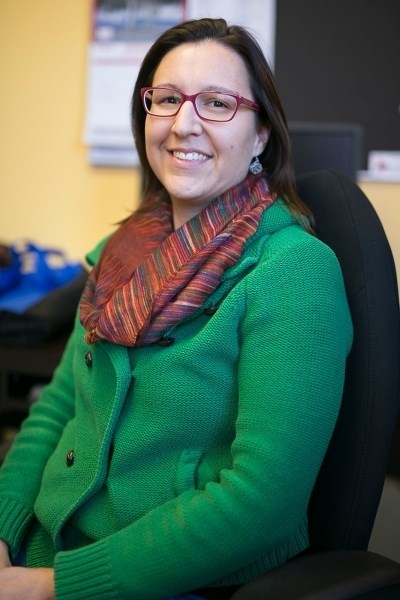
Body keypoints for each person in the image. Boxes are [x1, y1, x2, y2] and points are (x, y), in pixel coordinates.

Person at [0, 17, 353, 600]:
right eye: (166, 99)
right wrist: (4, 532)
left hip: (168, 581)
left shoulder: (294, 271)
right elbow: (57, 408)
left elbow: (262, 500)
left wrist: (49, 587)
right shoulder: (120, 255)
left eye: (217, 102)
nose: (183, 123)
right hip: (42, 551)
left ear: (262, 133)